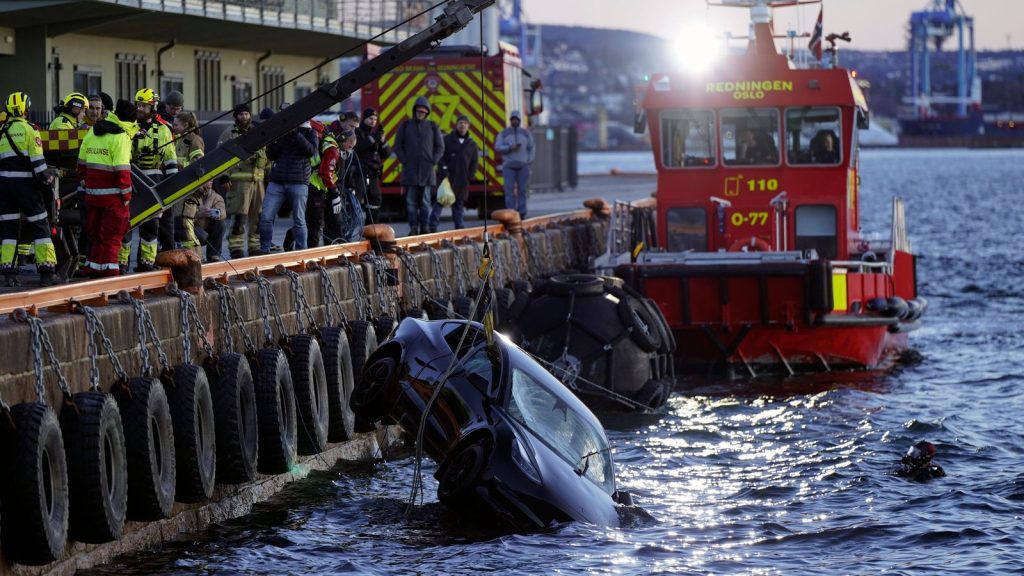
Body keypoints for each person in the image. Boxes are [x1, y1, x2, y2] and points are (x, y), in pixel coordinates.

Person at [0, 92, 59, 286]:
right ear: (26, 109)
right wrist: (48, 184)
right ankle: (47, 272)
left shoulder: (1, 131)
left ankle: (9, 273)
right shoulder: (30, 130)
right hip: (26, 188)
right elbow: (39, 166)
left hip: (4, 189)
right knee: (39, 225)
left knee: (9, 230)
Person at [121, 88, 176, 272]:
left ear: (153, 107)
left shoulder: (164, 130)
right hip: (132, 179)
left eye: (144, 105)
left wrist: (172, 184)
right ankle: (122, 263)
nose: (140, 108)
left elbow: (170, 159)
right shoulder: (128, 127)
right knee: (126, 225)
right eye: (138, 105)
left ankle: (146, 263)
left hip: (155, 180)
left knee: (151, 227)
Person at [77, 99, 135, 277]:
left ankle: (93, 267)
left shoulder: (93, 132)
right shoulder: (121, 137)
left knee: (95, 233)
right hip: (113, 197)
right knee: (113, 235)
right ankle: (110, 272)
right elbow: (122, 170)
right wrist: (126, 195)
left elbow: (81, 164)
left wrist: (87, 183)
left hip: (92, 194)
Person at [258, 116, 317, 253]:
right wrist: (276, 139)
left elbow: (311, 151)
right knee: (266, 217)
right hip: (277, 181)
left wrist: (296, 134)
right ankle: (264, 248)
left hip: (299, 182)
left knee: (299, 220)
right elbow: (271, 155)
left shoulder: (310, 132)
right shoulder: (282, 132)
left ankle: (302, 251)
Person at [219, 103, 269, 258]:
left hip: (258, 182)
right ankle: (236, 248)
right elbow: (220, 156)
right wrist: (224, 175)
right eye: (241, 114)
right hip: (238, 184)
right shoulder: (229, 133)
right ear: (236, 116)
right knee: (239, 217)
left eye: (247, 114)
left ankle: (254, 247)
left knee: (257, 217)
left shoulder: (257, 132)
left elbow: (267, 156)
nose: (244, 117)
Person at [393, 96, 444, 235]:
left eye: (423, 112)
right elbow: (397, 146)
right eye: (418, 111)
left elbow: (440, 147)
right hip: (410, 171)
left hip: (427, 172)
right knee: (411, 203)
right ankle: (414, 228)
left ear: (427, 113)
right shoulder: (405, 126)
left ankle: (424, 227)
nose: (420, 113)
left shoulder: (433, 126)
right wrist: (405, 160)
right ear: (414, 111)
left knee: (426, 202)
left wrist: (433, 160)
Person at [172, 110, 205, 256]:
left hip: (190, 190)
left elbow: (198, 165)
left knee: (186, 225)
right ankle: (190, 257)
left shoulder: (194, 140)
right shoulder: (179, 139)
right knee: (181, 225)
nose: (173, 127)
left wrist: (176, 165)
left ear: (185, 125)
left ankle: (196, 257)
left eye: (176, 124)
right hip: (181, 189)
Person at [437, 114, 479, 230]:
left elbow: (475, 161)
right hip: (447, 178)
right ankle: (431, 226)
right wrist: (443, 169)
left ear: (468, 126)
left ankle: (459, 227)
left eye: (465, 123)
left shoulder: (472, 144)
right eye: (460, 122)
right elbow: (441, 156)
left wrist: (470, 175)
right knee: (440, 202)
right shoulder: (447, 140)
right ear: (456, 125)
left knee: (458, 204)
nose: (462, 125)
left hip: (462, 179)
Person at [494, 110, 534, 219]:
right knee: (509, 191)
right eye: (513, 119)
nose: (515, 121)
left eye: (516, 119)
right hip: (509, 166)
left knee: (522, 190)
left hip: (523, 165)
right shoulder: (504, 133)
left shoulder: (526, 133)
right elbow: (497, 147)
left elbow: (531, 148)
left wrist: (528, 160)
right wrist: (509, 148)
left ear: (519, 120)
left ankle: (522, 212)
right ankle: (511, 212)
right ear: (510, 120)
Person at [306, 121, 340, 247]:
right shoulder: (326, 143)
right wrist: (334, 192)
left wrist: (333, 191)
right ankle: (314, 254)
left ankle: (323, 252)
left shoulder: (328, 145)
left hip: (319, 185)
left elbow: (326, 171)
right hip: (316, 185)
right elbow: (325, 171)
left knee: (319, 223)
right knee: (316, 223)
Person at [354, 107, 389, 225]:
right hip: (360, 175)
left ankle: (371, 231)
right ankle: (351, 231)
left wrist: (383, 141)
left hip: (373, 175)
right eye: (370, 118)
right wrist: (374, 138)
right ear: (364, 119)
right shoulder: (358, 132)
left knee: (375, 202)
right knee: (355, 203)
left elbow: (386, 154)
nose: (373, 121)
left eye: (375, 119)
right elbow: (359, 146)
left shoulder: (376, 134)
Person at [335, 128, 366, 243]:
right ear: (344, 142)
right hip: (330, 191)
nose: (350, 150)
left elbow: (348, 174)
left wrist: (351, 187)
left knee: (346, 218)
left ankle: (343, 239)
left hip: (340, 189)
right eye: (350, 146)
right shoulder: (333, 152)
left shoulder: (346, 155)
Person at [194, 175, 228, 262]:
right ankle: (196, 256)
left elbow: (223, 213)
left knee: (221, 225)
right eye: (208, 179)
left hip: (207, 231)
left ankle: (214, 255)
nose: (211, 181)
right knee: (200, 233)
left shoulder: (216, 197)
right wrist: (200, 214)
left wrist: (215, 214)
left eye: (211, 180)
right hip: (194, 229)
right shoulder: (192, 196)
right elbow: (185, 215)